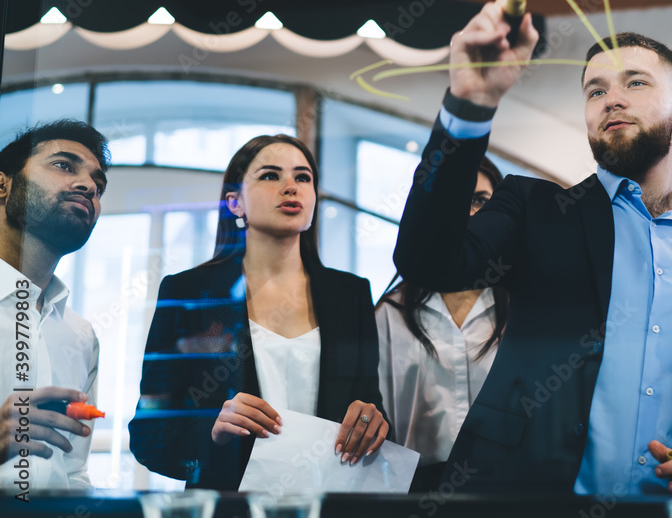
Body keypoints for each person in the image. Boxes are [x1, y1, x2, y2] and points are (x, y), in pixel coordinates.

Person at [393, 0, 672, 496]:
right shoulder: (534, 209)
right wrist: (470, 105)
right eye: (595, 90)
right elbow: (427, 261)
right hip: (525, 504)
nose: (612, 99)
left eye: (635, 82)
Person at [129, 134, 389, 490]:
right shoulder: (188, 293)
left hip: (327, 503)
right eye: (270, 175)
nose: (290, 187)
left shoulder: (351, 295)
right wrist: (213, 430)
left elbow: (368, 411)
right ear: (235, 203)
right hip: (229, 503)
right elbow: (148, 435)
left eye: (303, 178)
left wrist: (373, 420)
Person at [376, 155, 508, 491]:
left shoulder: (525, 308)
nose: (468, 212)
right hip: (412, 490)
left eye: (481, 200)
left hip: (507, 491)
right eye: (453, 201)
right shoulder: (389, 314)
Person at [0, 120, 110, 493]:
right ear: (3, 184)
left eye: (99, 184)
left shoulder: (81, 336)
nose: (89, 186)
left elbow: (74, 473)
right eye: (64, 165)